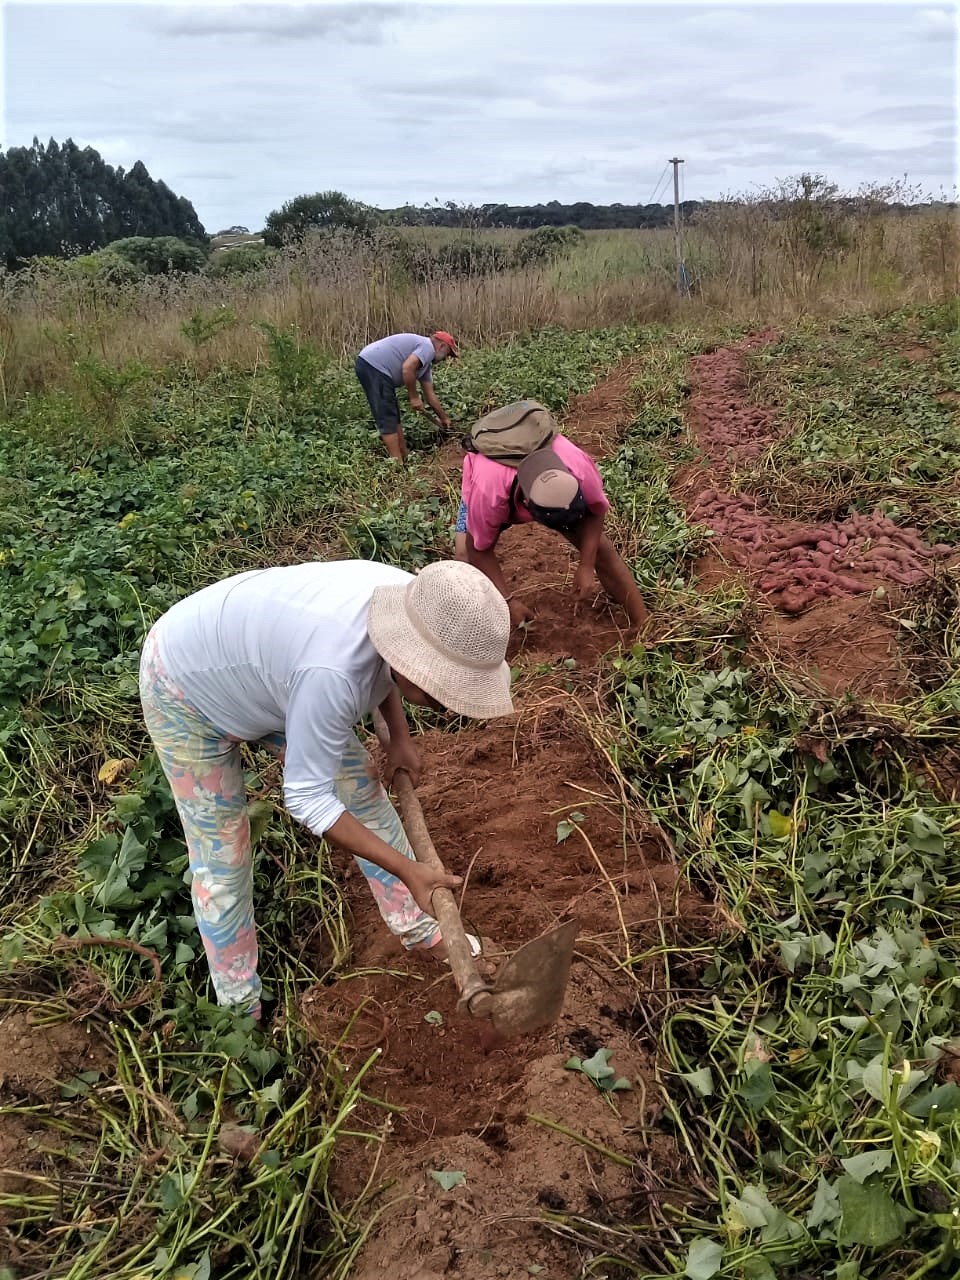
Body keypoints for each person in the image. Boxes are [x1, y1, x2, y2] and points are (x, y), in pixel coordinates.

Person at [139, 559, 512, 1020]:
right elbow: (306, 798)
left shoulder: (423, 604)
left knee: (361, 787)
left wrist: (399, 737)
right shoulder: (333, 673)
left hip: (270, 675)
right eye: (442, 689)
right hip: (184, 688)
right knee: (223, 857)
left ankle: (420, 929)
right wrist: (407, 868)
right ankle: (239, 1010)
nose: (449, 703)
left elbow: (384, 667)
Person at [454, 438, 650, 631]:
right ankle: (477, 632)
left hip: (524, 484)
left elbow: (596, 511)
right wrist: (508, 601)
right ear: (527, 507)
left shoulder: (580, 469)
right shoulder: (488, 494)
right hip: (488, 480)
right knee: (464, 558)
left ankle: (643, 624)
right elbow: (478, 551)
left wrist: (587, 564)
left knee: (600, 549)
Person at [355, 330, 458, 462]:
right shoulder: (427, 347)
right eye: (448, 354)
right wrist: (414, 397)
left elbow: (430, 395)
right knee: (386, 414)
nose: (446, 358)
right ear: (442, 346)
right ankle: (397, 464)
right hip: (373, 365)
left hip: (377, 368)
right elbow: (407, 368)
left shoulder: (425, 365)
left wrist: (444, 418)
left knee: (393, 413)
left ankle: (405, 456)